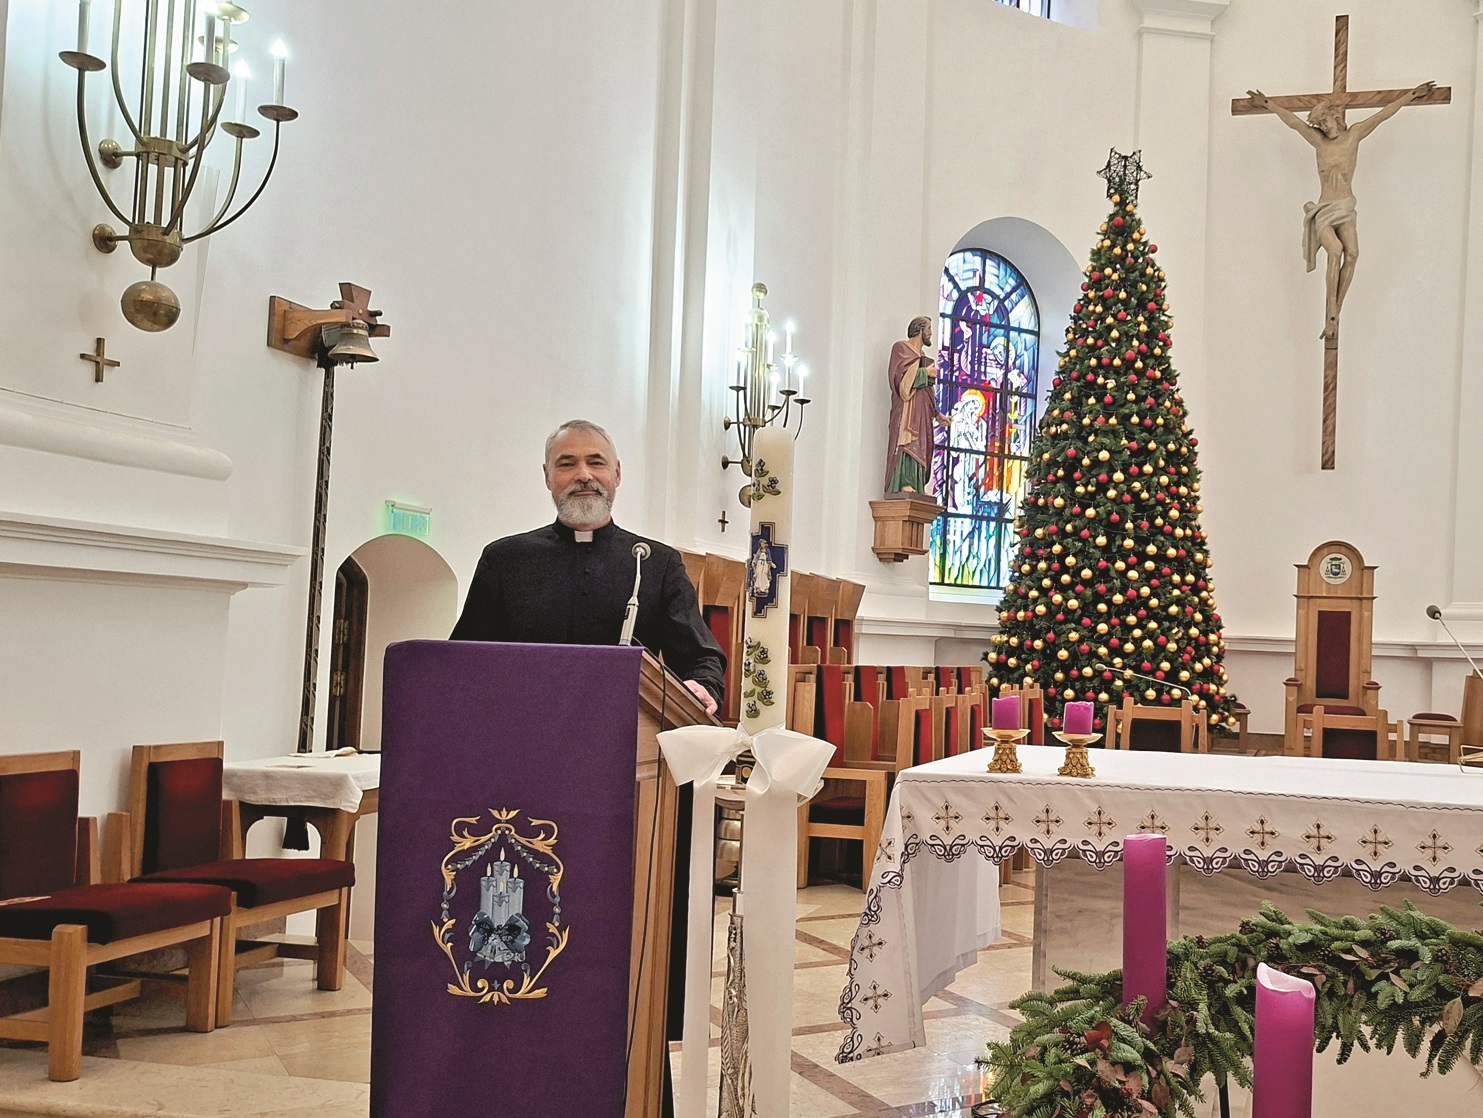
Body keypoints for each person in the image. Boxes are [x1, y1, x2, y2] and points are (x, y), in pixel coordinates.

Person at [450, 418, 725, 714]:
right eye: (567, 464)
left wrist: (703, 684)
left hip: (625, 729)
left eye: (596, 462)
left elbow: (699, 657)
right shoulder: (504, 560)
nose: (583, 475)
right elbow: (463, 659)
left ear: (617, 474)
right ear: (548, 476)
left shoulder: (657, 563)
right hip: (521, 724)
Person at [1246, 82, 1434, 340]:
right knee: (1335, 250)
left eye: (1326, 121)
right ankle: (1331, 314)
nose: (1324, 127)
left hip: (1345, 206)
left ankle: (1335, 313)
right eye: (1320, 124)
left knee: (1353, 254)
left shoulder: (1354, 135)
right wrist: (1267, 103)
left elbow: (1382, 115)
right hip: (1324, 210)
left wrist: (1411, 95)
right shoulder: (1319, 142)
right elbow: (1294, 123)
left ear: (1335, 116)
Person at [884, 315, 949, 494]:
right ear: (920, 330)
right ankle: (903, 482)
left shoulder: (923, 357)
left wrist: (937, 414)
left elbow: (928, 391)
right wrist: (924, 372)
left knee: (921, 444)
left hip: (922, 411)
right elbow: (899, 381)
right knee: (907, 442)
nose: (931, 333)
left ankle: (918, 485)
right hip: (907, 410)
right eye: (929, 329)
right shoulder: (900, 348)